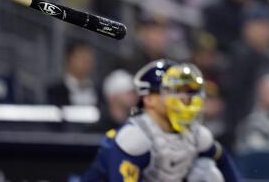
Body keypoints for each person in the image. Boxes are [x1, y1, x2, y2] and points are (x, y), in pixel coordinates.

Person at [82, 59, 241, 182]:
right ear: (149, 99)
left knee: (206, 171)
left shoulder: (196, 134)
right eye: (174, 91)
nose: (184, 98)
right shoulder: (134, 138)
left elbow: (225, 164)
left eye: (187, 91)